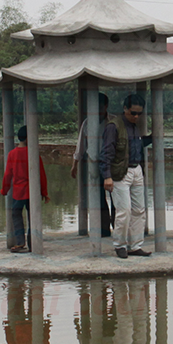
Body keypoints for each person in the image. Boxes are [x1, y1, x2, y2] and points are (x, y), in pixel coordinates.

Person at [101, 93, 154, 258]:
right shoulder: (114, 126)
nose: (136, 116)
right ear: (125, 109)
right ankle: (120, 245)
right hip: (120, 173)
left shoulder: (134, 126)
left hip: (136, 169)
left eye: (139, 113)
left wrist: (153, 138)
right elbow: (106, 153)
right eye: (133, 113)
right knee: (124, 211)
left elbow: (137, 144)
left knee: (139, 210)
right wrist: (107, 176)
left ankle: (135, 245)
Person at [70, 92, 115, 237]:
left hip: (113, 165)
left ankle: (119, 228)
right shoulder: (88, 123)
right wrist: (74, 164)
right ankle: (103, 229)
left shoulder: (113, 121)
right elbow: (81, 146)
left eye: (100, 107)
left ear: (106, 106)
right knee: (98, 199)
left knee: (117, 198)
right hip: (95, 165)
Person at [1, 126, 50, 253]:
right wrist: (44, 192)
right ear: (29, 138)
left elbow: (7, 175)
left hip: (18, 192)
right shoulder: (33, 154)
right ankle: (32, 242)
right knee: (32, 217)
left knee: (16, 215)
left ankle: (20, 242)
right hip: (32, 192)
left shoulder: (12, 154)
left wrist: (4, 190)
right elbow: (41, 175)